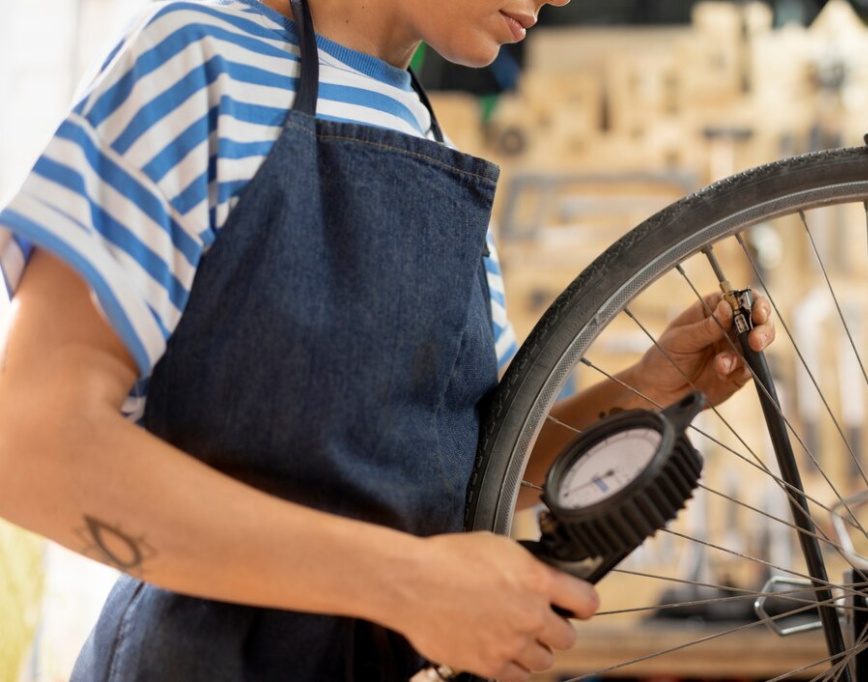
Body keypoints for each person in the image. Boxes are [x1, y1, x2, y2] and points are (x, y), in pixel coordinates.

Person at [0, 1, 775, 680]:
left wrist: (648, 387)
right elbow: (35, 449)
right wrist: (409, 583)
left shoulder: (419, 132)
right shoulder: (198, 59)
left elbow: (470, 468)